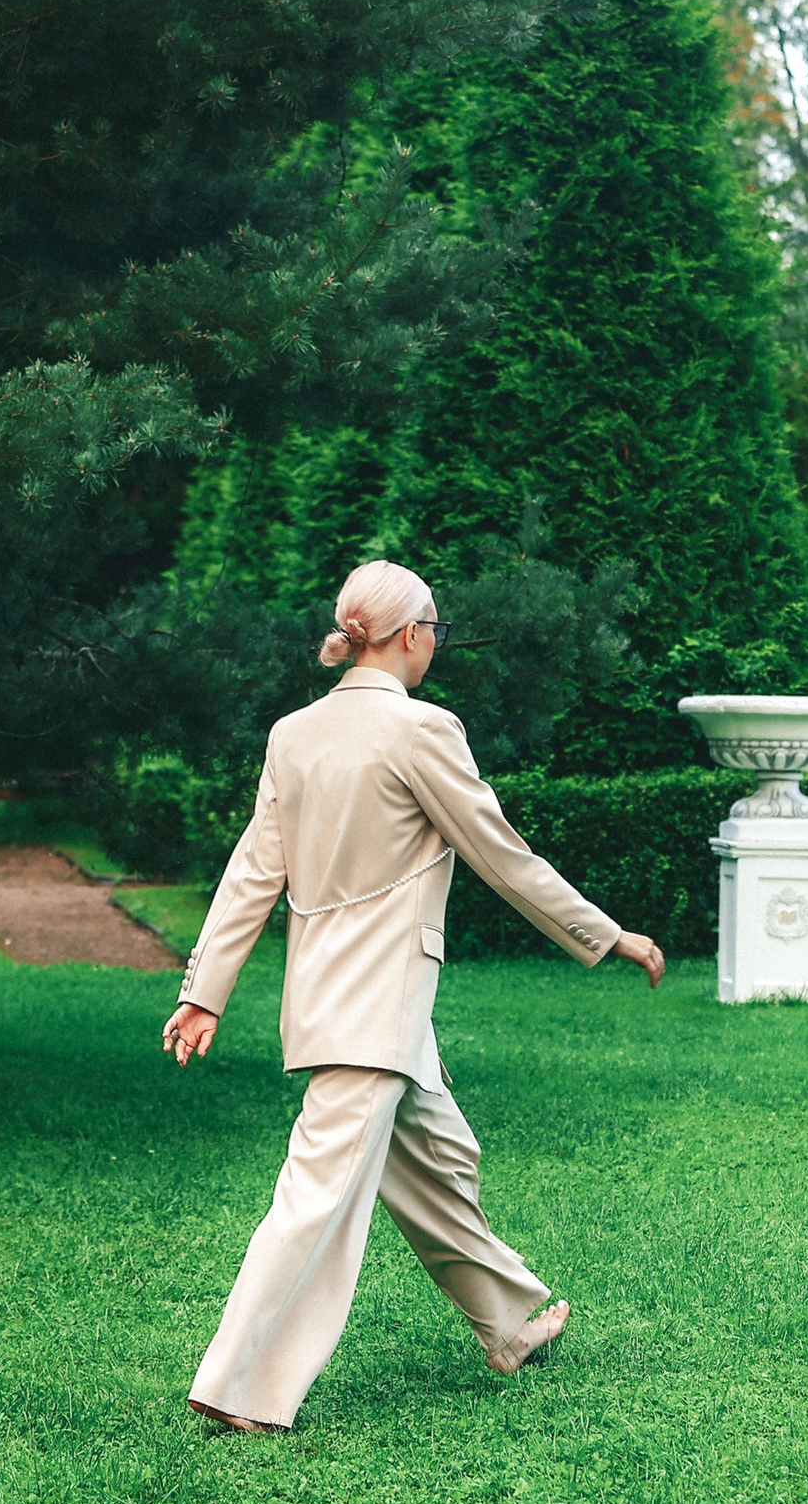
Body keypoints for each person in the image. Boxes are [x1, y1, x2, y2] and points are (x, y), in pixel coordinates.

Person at [160, 558, 667, 1433]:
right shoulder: (422, 728)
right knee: (317, 1195)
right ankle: (238, 1387)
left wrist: (206, 990)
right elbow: (502, 854)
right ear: (409, 635)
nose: (438, 642)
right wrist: (607, 933)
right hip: (377, 1007)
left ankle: (506, 1323)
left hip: (347, 1003)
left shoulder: (293, 733)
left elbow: (251, 873)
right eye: (437, 628)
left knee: (440, 1156)